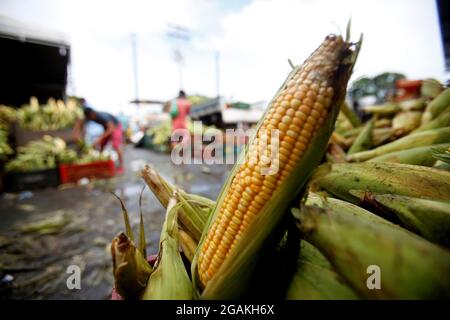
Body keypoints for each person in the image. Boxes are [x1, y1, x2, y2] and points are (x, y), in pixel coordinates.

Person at [73, 99, 124, 173]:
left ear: (93, 114)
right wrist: (77, 135)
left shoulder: (101, 116)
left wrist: (99, 138)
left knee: (116, 145)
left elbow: (111, 128)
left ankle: (121, 166)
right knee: (101, 144)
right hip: (107, 128)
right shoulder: (89, 117)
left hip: (116, 127)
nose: (90, 119)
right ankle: (102, 163)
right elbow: (81, 125)